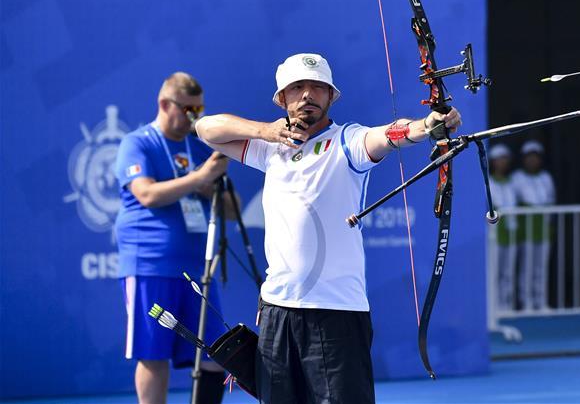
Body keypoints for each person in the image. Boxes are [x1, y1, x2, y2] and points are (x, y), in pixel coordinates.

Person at [195, 53, 461, 404]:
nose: (308, 94)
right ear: (282, 99)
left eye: (318, 87)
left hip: (335, 312)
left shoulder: (348, 142)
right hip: (277, 309)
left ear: (330, 96)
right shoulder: (269, 149)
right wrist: (266, 131)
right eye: (298, 88)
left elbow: (388, 135)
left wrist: (426, 127)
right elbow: (205, 129)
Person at [114, 72, 239, 404]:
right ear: (164, 104)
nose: (193, 117)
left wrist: (208, 184)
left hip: (196, 272)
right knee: (153, 355)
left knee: (216, 354)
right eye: (187, 109)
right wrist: (198, 177)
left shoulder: (200, 146)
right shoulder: (137, 143)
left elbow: (231, 209)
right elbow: (148, 195)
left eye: (199, 110)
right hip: (150, 265)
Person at [512, 140, 555, 311]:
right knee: (526, 267)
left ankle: (541, 301)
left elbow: (551, 199)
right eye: (529, 157)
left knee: (541, 268)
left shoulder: (546, 177)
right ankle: (526, 301)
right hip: (526, 229)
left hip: (543, 229)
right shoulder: (517, 177)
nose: (532, 160)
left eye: (535, 157)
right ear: (524, 159)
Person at [487, 143, 519, 311]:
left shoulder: (512, 182)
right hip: (494, 234)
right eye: (499, 159)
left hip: (511, 233)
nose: (502, 162)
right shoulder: (489, 182)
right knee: (495, 272)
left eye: (505, 159)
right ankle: (494, 307)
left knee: (508, 272)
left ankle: (506, 306)